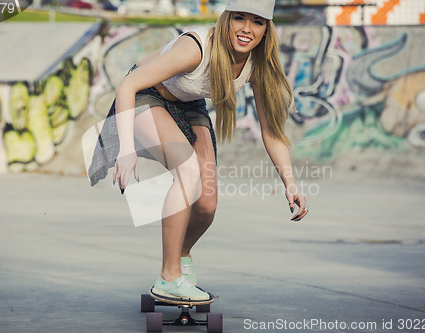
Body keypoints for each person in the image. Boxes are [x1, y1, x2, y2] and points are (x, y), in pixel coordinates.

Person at [96, 0, 308, 301]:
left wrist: (291, 184)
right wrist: (126, 149)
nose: (246, 29)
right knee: (188, 169)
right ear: (227, 18)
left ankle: (181, 255)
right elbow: (127, 85)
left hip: (187, 103)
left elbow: (271, 130)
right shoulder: (197, 47)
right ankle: (168, 277)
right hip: (144, 94)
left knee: (207, 203)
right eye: (239, 18)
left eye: (257, 22)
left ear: (267, 29)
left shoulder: (257, 65)